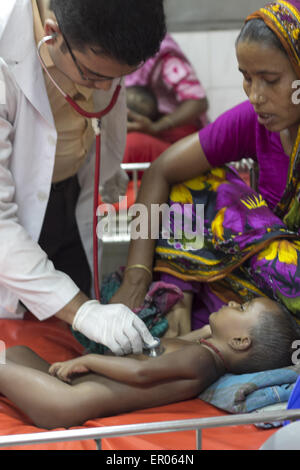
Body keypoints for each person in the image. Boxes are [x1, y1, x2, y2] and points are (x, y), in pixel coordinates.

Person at [110, 0, 300, 332]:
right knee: (194, 180)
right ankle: (180, 295)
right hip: (257, 279)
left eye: (270, 80)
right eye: (247, 78)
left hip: (288, 283)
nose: (255, 95)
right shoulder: (253, 120)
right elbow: (160, 170)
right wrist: (137, 273)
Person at [0, 0, 167, 356]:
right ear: (51, 34)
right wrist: (83, 311)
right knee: (20, 350)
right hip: (10, 219)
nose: (104, 89)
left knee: (72, 347)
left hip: (67, 198)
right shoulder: (5, 48)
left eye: (118, 76)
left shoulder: (101, 38)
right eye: (92, 76)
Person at [0, 297, 297, 429]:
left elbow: (142, 372)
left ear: (241, 342)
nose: (232, 303)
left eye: (242, 307)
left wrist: (90, 360)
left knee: (5, 364)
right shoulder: (204, 353)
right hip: (67, 390)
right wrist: (208, 330)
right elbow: (176, 347)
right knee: (17, 353)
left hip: (65, 401)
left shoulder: (201, 360)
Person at [123, 33, 209, 166]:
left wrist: (157, 127)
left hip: (175, 138)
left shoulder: (162, 54)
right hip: (142, 130)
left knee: (131, 146)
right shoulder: (116, 53)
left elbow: (198, 102)